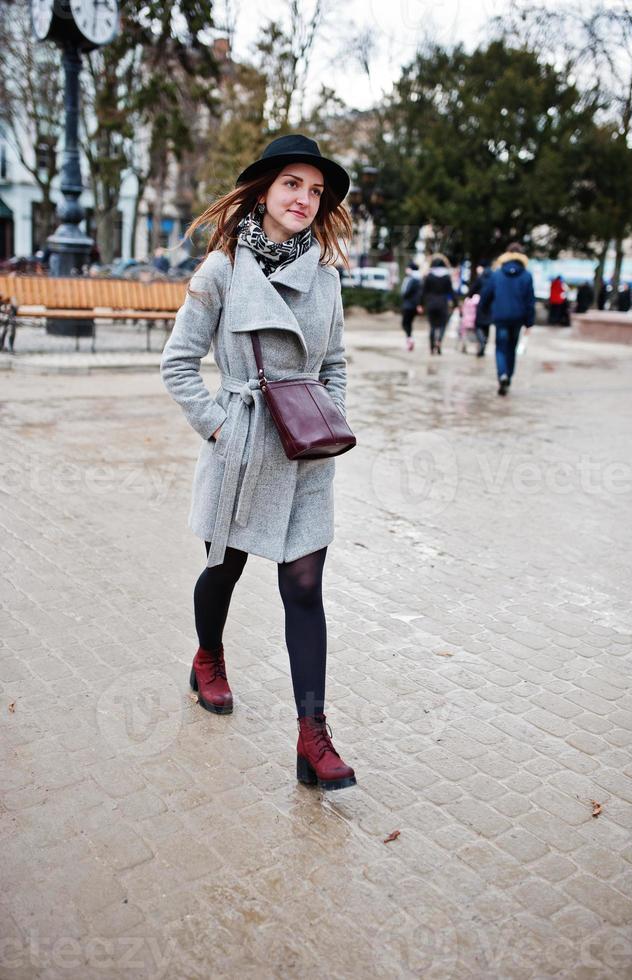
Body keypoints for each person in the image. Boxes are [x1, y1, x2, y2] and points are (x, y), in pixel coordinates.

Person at [160, 133, 357, 791]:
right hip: (241, 448)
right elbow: (178, 363)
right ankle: (207, 657)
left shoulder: (326, 279)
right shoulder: (221, 272)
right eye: (293, 184)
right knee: (223, 569)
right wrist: (220, 429)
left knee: (304, 588)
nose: (305, 198)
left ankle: (312, 737)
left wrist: (325, 420)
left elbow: (333, 362)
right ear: (266, 190)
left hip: (305, 454)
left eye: (316, 190)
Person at [480, 241, 535, 396]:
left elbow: (486, 295)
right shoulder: (526, 276)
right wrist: (529, 322)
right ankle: (508, 376)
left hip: (500, 317)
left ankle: (502, 374)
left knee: (501, 348)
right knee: (512, 348)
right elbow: (530, 300)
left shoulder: (497, 274)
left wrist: (483, 311)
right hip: (518, 318)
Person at [418, 253, 457, 354]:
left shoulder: (429, 276)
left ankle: (432, 347)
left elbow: (423, 291)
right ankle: (439, 341)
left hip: (431, 303)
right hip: (442, 303)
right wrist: (456, 304)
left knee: (432, 326)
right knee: (442, 325)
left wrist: (420, 304)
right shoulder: (446, 277)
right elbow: (451, 291)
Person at [469, 261, 493, 356]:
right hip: (491, 305)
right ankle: (484, 343)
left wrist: (470, 297)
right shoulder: (494, 277)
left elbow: (472, 290)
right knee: (487, 325)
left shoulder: (481, 277)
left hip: (481, 303)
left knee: (478, 325)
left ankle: (482, 341)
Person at [399, 260, 422, 351]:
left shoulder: (412, 280)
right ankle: (409, 339)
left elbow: (405, 293)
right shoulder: (419, 279)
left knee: (405, 323)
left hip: (408, 305)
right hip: (414, 306)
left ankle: (409, 339)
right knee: (408, 323)